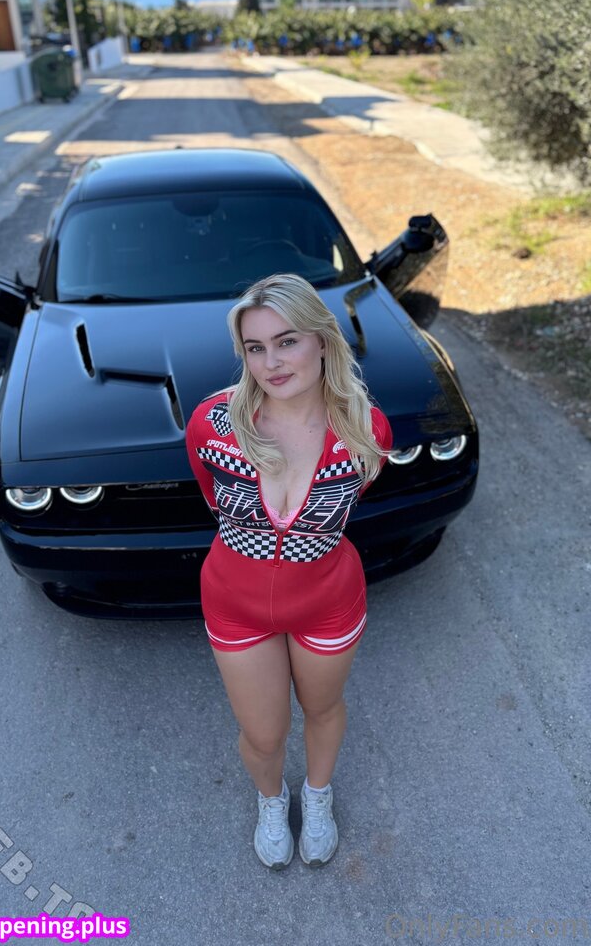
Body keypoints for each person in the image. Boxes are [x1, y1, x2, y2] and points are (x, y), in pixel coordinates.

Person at [185, 272, 392, 870]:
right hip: (235, 602)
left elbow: (352, 498)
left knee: (323, 709)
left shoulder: (366, 429)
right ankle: (271, 801)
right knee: (263, 734)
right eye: (255, 348)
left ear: (321, 340)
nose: (271, 363)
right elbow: (212, 496)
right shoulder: (212, 425)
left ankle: (317, 796)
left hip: (328, 601)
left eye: (287, 341)